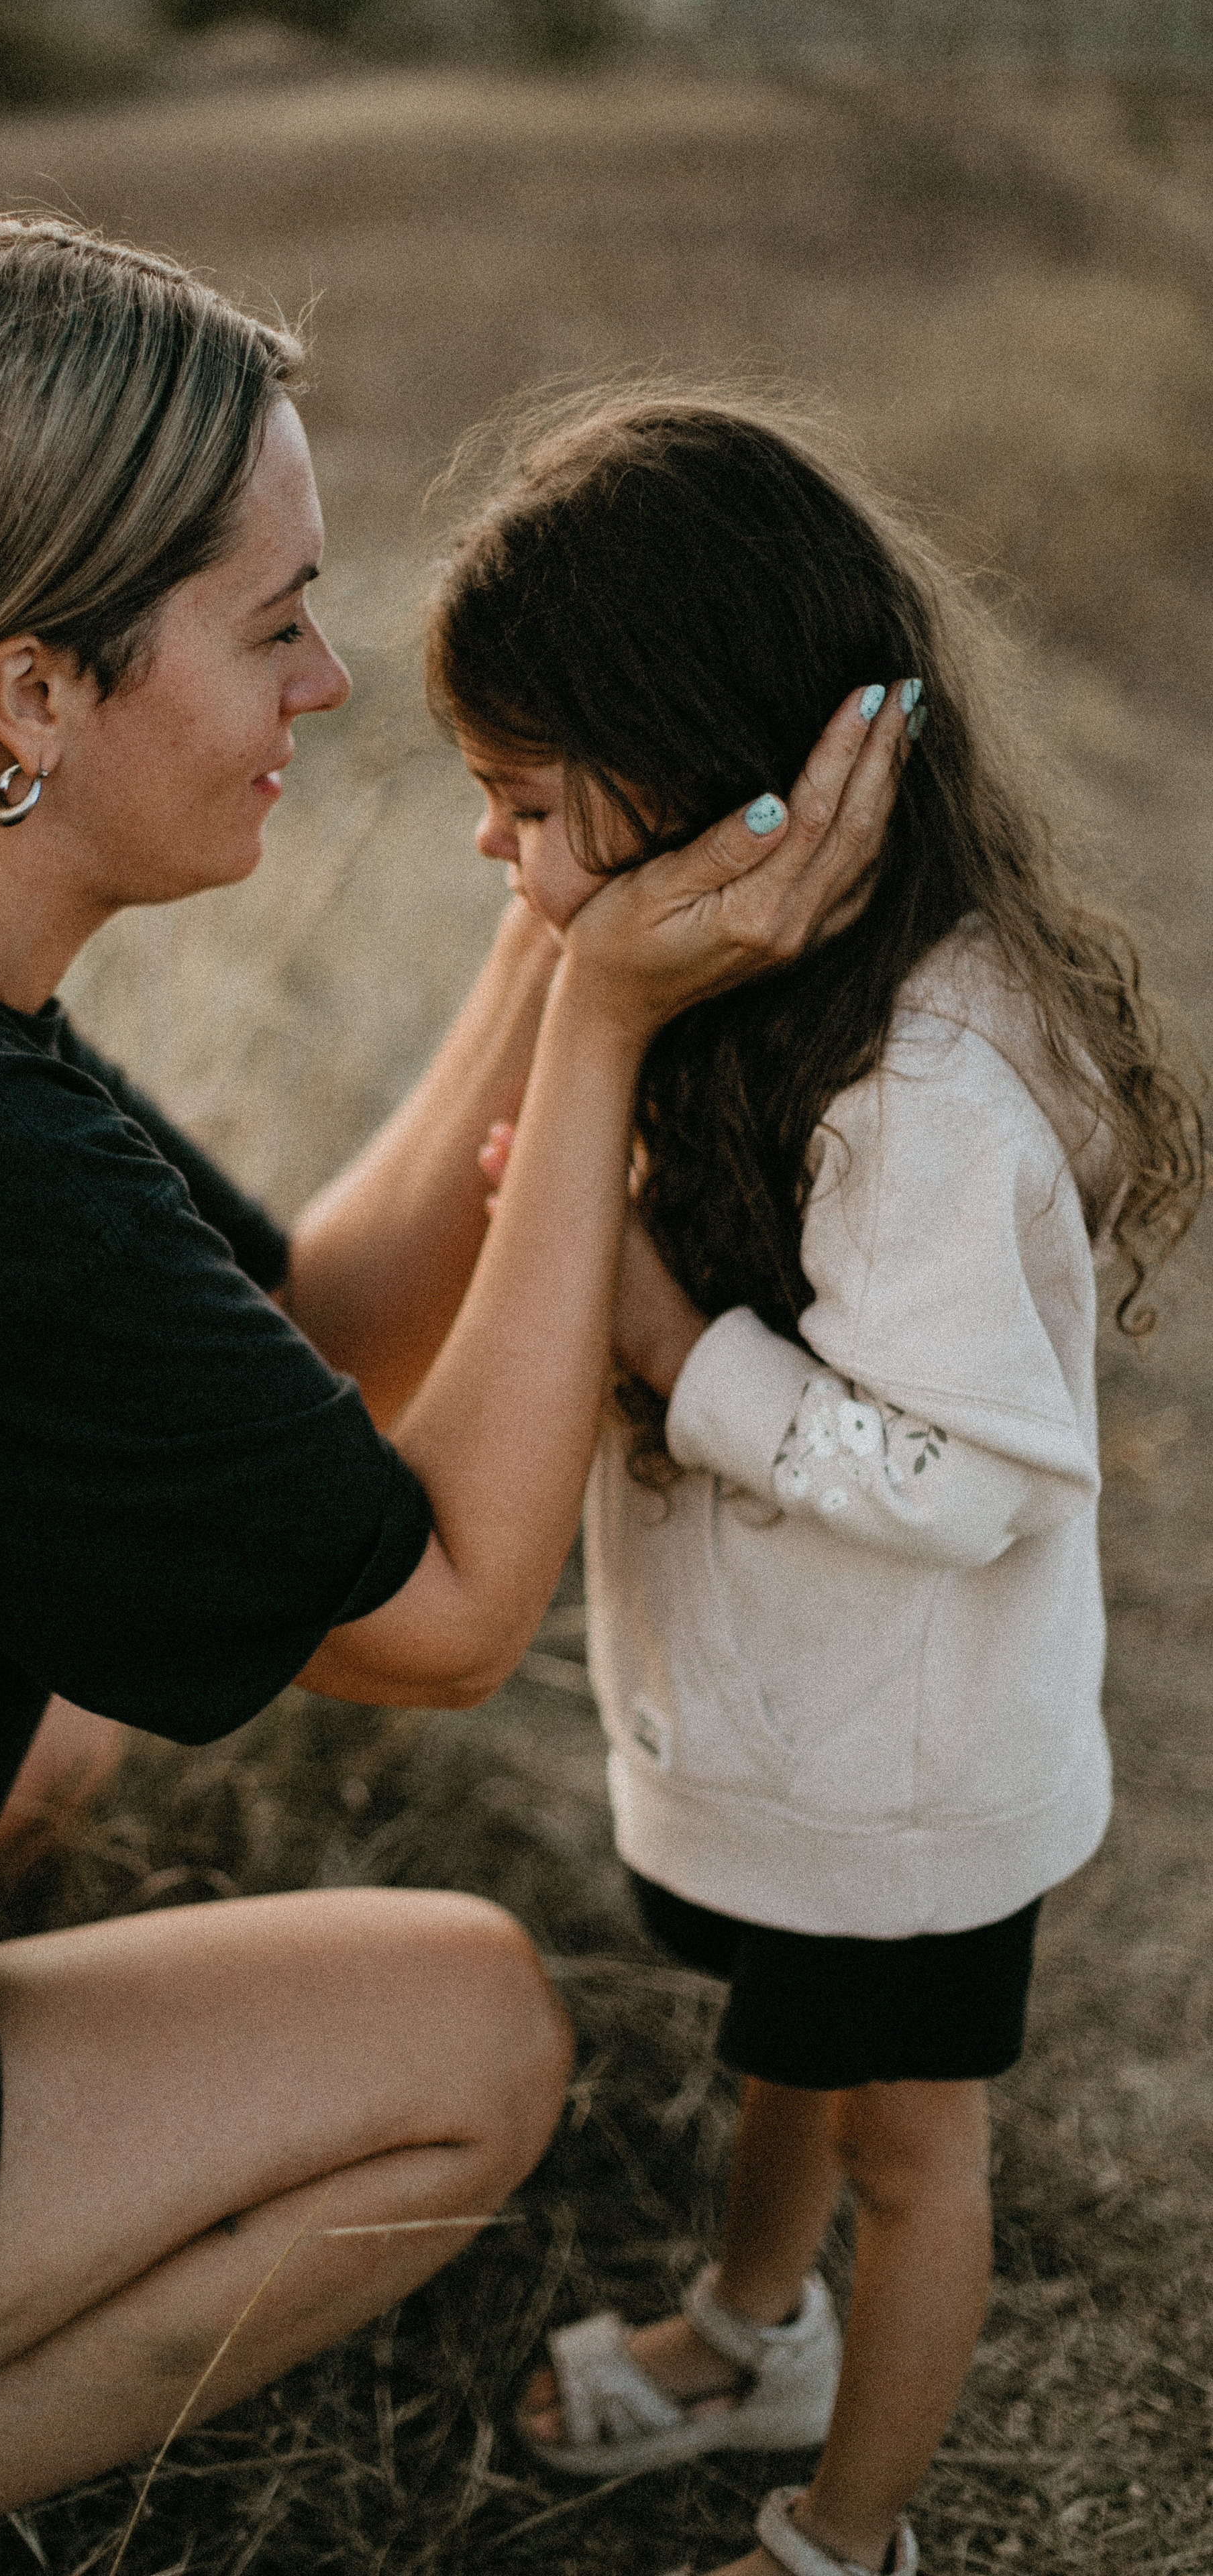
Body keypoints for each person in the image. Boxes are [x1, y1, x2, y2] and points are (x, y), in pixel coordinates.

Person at [0, 226, 901, 2575]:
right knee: (468, 2037)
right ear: (34, 691)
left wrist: (558, 906)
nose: (331, 684)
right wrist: (613, 1031)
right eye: (271, 628)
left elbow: (316, 1328)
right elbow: (449, 1612)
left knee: (63, 1721)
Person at [429, 390, 1203, 2576]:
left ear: (684, 773)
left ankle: (846, 2540)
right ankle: (747, 2332)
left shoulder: (933, 1082)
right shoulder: (729, 992)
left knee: (908, 2148)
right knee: (793, 2057)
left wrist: (674, 1342)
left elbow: (965, 1480)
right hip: (794, 1743)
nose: (492, 853)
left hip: (910, 1780)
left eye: (520, 802)